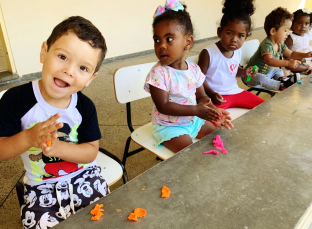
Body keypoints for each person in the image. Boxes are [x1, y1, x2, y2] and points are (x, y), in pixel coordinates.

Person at [0, 16, 109, 228]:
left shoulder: (84, 107)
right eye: (62, 56)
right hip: (42, 187)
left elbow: (91, 152)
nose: (69, 70)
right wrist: (29, 137)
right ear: (44, 52)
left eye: (83, 68)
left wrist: (58, 147)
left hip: (86, 178)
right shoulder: (16, 100)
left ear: (90, 79)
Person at [144, 0, 234, 154]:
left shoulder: (193, 69)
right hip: (169, 127)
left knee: (219, 137)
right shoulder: (158, 73)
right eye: (157, 40)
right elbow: (163, 106)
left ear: (188, 42)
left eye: (169, 39)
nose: (162, 45)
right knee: (191, 154)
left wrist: (215, 111)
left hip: (193, 121)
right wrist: (196, 110)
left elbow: (202, 97)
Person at [198, 0, 264, 109]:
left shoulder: (237, 51)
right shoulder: (208, 53)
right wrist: (211, 94)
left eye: (240, 35)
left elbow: (233, 70)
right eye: (229, 33)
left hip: (235, 92)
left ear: (246, 37)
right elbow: (198, 79)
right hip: (216, 96)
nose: (234, 39)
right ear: (219, 32)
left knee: (264, 107)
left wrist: (245, 72)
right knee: (214, 121)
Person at [245, 7, 312, 91]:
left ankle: (284, 80)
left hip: (267, 74)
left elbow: (291, 54)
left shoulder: (280, 44)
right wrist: (287, 63)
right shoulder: (267, 44)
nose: (288, 34)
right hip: (250, 77)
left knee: (278, 71)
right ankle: (281, 86)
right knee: (261, 78)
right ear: (273, 31)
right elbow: (269, 61)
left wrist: (306, 54)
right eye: (285, 30)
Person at [284, 8, 312, 74]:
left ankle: (308, 66)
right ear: (292, 24)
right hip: (297, 58)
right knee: (289, 65)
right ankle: (307, 68)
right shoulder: (291, 37)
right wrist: (297, 59)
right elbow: (286, 54)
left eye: (306, 23)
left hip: (307, 57)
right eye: (299, 23)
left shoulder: (307, 35)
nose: (303, 26)